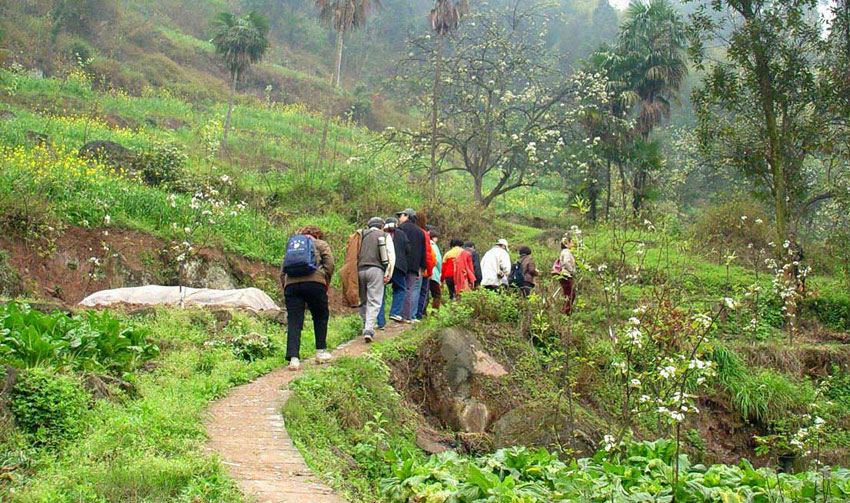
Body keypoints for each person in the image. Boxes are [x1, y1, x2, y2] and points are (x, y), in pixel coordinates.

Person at [281, 225, 334, 371]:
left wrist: (285, 285)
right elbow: (329, 264)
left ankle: (294, 359)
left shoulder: (292, 245)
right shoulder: (320, 244)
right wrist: (324, 279)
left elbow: (283, 268)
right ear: (318, 235)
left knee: (294, 321)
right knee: (320, 315)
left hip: (291, 285)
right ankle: (320, 352)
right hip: (314, 283)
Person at [357, 217, 394, 342]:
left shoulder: (360, 235)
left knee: (362, 300)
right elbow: (390, 256)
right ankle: (369, 328)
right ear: (381, 226)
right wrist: (388, 272)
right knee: (374, 300)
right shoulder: (384, 235)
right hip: (376, 270)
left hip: (359, 270)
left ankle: (365, 324)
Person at [397, 208, 427, 323]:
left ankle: (398, 314)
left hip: (401, 265)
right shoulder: (420, 232)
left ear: (407, 216)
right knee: (409, 289)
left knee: (399, 288)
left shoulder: (400, 229)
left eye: (401, 216)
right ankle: (408, 315)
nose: (399, 218)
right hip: (414, 266)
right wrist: (422, 268)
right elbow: (423, 252)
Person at [379, 217, 408, 328]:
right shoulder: (401, 234)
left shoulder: (381, 234)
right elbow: (407, 249)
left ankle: (380, 320)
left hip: (383, 266)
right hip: (399, 266)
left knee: (380, 292)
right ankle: (395, 312)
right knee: (400, 288)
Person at [415, 217, 436, 320]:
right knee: (422, 292)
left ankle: (407, 314)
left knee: (410, 291)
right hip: (424, 270)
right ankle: (418, 314)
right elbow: (430, 256)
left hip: (411, 268)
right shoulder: (424, 235)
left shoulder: (409, 232)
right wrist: (430, 270)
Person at [554, 234, 577, 315]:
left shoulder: (563, 252)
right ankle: (565, 312)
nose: (573, 244)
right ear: (567, 243)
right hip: (566, 275)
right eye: (571, 242)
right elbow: (566, 262)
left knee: (568, 294)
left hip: (564, 275)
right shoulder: (567, 252)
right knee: (570, 294)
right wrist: (572, 270)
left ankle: (565, 311)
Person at [426, 230, 442, 315]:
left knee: (424, 294)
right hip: (433, 273)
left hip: (424, 272)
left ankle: (422, 312)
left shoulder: (424, 243)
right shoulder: (433, 245)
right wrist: (440, 272)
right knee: (437, 294)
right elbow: (438, 260)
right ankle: (434, 312)